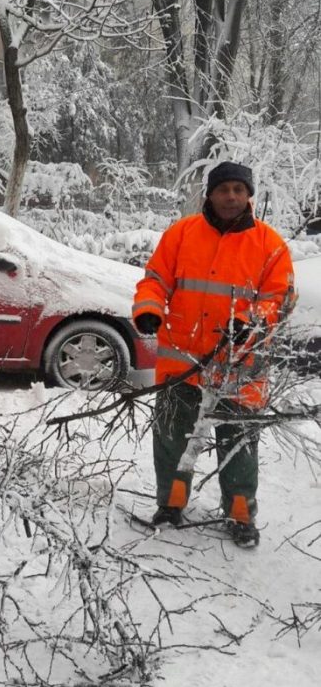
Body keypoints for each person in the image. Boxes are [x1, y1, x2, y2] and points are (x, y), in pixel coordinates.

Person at [132, 161, 295, 546]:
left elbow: (280, 298)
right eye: (224, 189)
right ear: (210, 193)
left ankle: (240, 514)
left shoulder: (270, 244)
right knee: (172, 438)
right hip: (182, 364)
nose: (231, 196)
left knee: (238, 444)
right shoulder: (182, 234)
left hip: (240, 368)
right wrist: (149, 310)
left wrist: (252, 321)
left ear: (249, 195)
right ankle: (170, 503)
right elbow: (155, 280)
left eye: (239, 189)